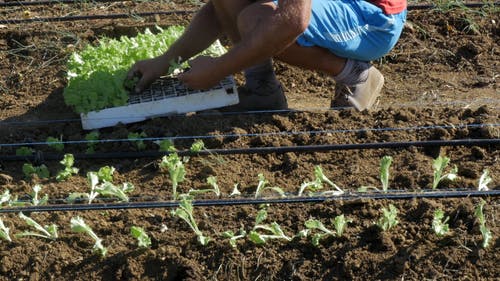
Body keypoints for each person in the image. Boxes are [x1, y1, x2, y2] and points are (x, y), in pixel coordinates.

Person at [127, 0, 407, 111]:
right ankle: (262, 89)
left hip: (373, 19)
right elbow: (219, 8)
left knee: (258, 20)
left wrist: (217, 70)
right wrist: (166, 60)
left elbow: (293, 20)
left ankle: (356, 74)